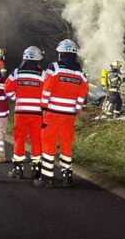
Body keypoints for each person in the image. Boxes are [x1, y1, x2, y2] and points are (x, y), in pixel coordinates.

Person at [36, 39, 87, 188]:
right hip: (69, 116)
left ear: (61, 54)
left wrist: (43, 106)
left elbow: (47, 89)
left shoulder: (55, 68)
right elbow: (82, 94)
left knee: (48, 143)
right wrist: (76, 109)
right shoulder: (80, 72)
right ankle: (67, 176)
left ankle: (47, 177)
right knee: (66, 144)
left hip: (52, 113)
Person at [4, 46, 46, 179]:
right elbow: (47, 92)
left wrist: (15, 98)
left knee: (19, 140)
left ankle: (18, 169)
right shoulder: (43, 74)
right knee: (36, 140)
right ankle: (36, 169)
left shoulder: (17, 73)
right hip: (37, 114)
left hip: (21, 112)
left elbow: (7, 88)